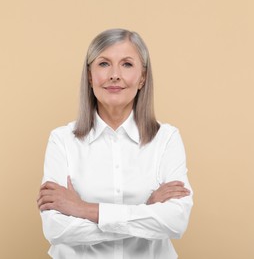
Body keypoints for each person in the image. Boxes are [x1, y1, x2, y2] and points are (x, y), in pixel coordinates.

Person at [37, 28, 193, 259]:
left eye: (127, 64)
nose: (114, 75)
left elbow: (175, 223)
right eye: (103, 64)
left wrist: (83, 210)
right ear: (90, 76)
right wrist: (147, 212)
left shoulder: (166, 139)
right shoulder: (62, 140)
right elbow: (56, 230)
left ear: (142, 78)